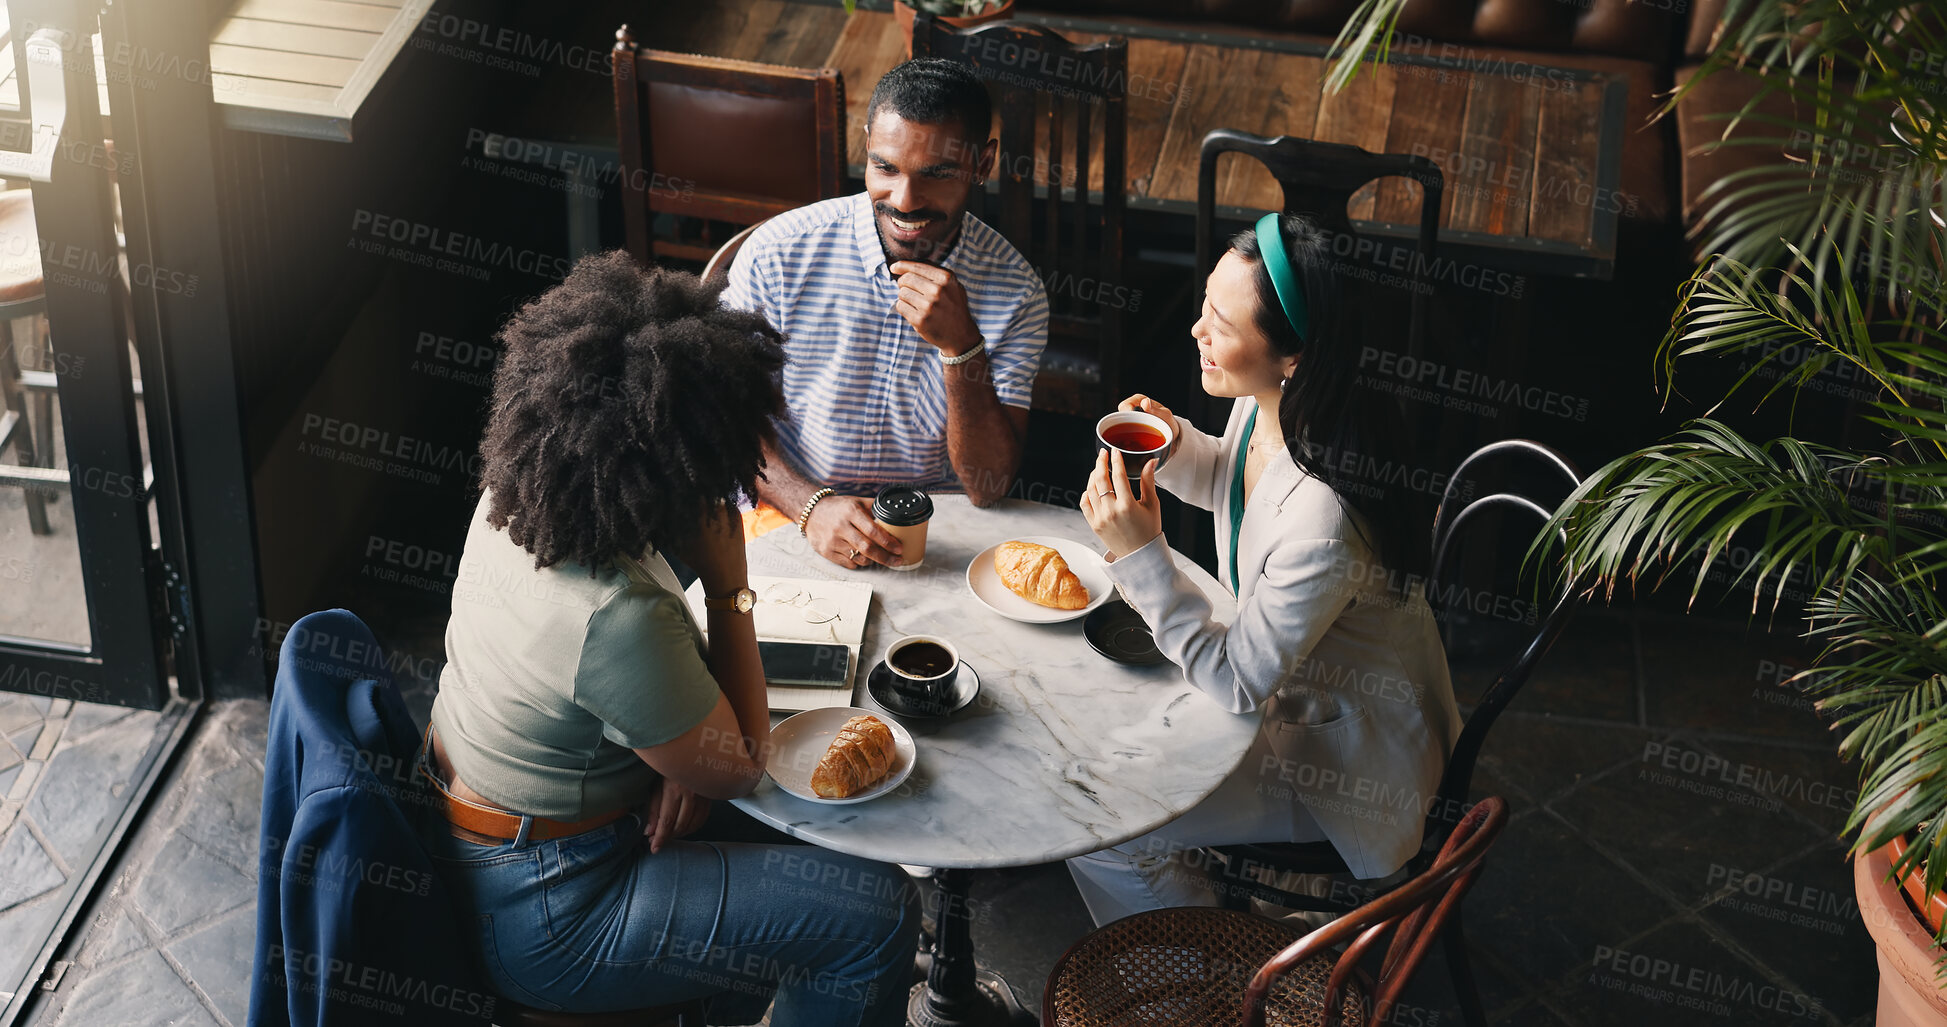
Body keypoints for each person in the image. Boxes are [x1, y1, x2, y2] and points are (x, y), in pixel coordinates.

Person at [422, 251, 919, 1025]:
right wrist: (728, 583)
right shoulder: (614, 614)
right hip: (551, 906)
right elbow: (740, 763)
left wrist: (675, 750)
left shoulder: (521, 495)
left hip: (486, 832)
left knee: (822, 848)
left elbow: (650, 707)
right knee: (877, 912)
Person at [1066, 213, 1462, 925]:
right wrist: (1175, 445)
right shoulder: (1279, 410)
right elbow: (1236, 478)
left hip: (1337, 762)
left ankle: (1196, 976)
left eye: (1219, 322)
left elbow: (1239, 681)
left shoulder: (1324, 520)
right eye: (1203, 307)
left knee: (1098, 821)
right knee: (1094, 739)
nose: (1194, 331)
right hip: (1290, 694)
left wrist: (1140, 556)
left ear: (1292, 357)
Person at [721, 57, 1049, 568]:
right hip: (788, 510)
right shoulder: (777, 255)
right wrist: (810, 506)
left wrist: (963, 349)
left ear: (982, 164)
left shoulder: (1018, 293)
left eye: (937, 175)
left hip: (936, 534)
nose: (905, 201)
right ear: (868, 144)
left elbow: (988, 487)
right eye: (886, 168)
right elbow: (721, 418)